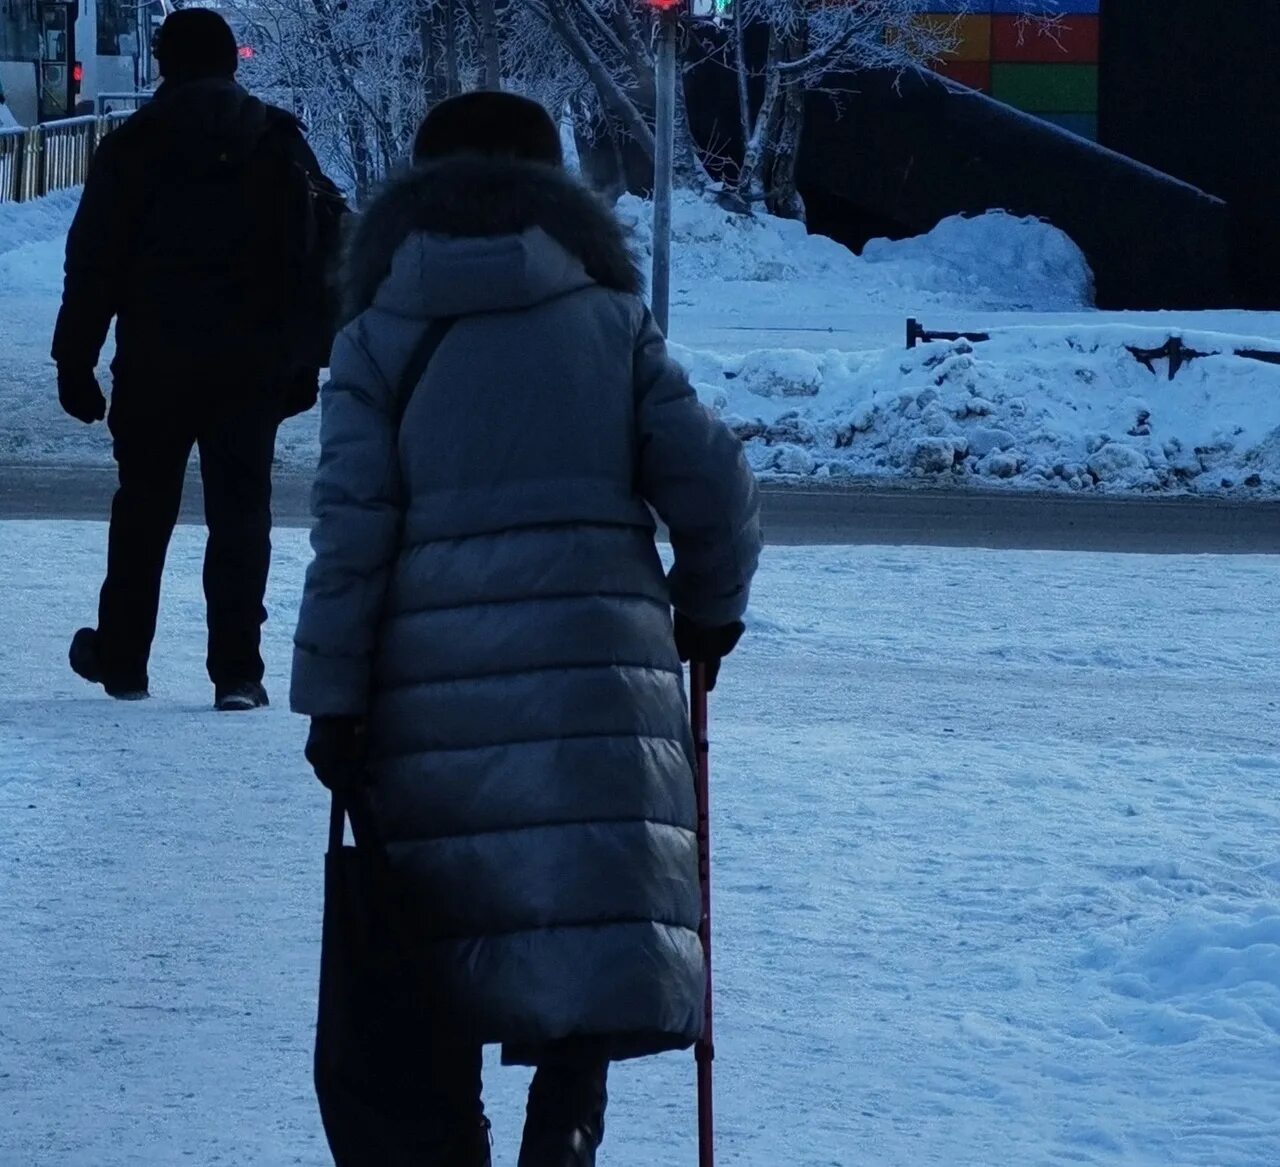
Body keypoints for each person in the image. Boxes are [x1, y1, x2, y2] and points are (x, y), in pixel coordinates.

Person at [291, 92, 762, 1166]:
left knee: (439, 927)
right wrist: (708, 611)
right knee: (576, 916)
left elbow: (349, 534)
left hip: (429, 691)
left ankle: (450, 1136)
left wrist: (332, 699)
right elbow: (716, 487)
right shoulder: (609, 320)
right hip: (600, 683)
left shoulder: (374, 338)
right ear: (555, 190)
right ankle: (569, 1116)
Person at [52, 7, 343, 709]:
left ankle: (122, 657)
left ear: (164, 63)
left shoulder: (135, 146)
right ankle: (238, 671)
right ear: (231, 63)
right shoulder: (278, 142)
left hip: (155, 360)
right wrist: (304, 358)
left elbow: (95, 262)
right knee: (242, 513)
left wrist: (76, 360)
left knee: (142, 507)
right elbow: (320, 255)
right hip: (252, 364)